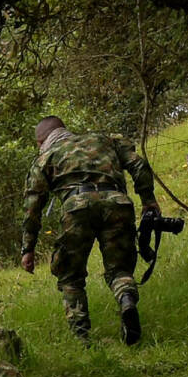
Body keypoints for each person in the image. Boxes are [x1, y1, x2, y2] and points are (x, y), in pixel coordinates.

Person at [23, 116, 160, 344]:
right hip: (117, 202)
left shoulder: (45, 157)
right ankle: (126, 299)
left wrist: (28, 248)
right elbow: (138, 164)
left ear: (40, 142)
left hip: (76, 208)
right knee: (119, 269)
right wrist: (149, 200)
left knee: (70, 276)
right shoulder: (105, 140)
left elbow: (32, 206)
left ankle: (82, 339)